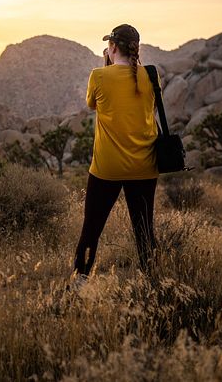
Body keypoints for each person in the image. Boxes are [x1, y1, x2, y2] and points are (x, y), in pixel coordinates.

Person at [71, 23, 159, 289]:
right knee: (144, 231)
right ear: (136, 49)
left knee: (92, 228)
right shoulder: (151, 76)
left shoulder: (99, 76)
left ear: (112, 47)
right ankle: (153, 284)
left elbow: (92, 104)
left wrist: (107, 66)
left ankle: (80, 284)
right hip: (144, 165)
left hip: (106, 168)